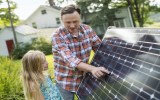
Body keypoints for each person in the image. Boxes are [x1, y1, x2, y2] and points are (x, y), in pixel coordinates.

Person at [52, 4, 110, 100]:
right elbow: (70, 59)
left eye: (75, 21)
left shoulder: (87, 30)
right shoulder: (57, 36)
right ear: (62, 21)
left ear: (80, 18)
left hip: (84, 80)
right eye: (68, 22)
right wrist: (92, 69)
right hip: (65, 82)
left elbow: (101, 50)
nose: (72, 25)